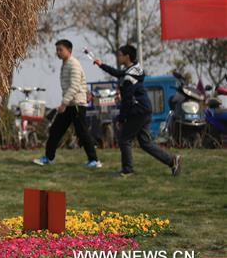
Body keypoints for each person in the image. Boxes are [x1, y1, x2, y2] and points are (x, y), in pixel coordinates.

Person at [93, 44, 181, 177]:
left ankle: (127, 170)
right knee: (145, 143)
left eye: (120, 54)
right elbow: (119, 73)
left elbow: (127, 100)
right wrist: (101, 65)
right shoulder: (135, 68)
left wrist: (121, 118)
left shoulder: (129, 78)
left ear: (127, 56)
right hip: (145, 109)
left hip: (138, 110)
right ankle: (172, 161)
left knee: (124, 139)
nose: (118, 56)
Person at [33, 40, 101, 168]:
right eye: (57, 50)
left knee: (82, 133)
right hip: (70, 104)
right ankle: (48, 158)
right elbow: (81, 80)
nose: (58, 52)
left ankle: (94, 161)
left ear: (69, 50)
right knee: (55, 130)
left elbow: (74, 86)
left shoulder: (73, 64)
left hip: (75, 105)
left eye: (61, 50)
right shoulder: (66, 64)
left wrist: (63, 103)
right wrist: (85, 91)